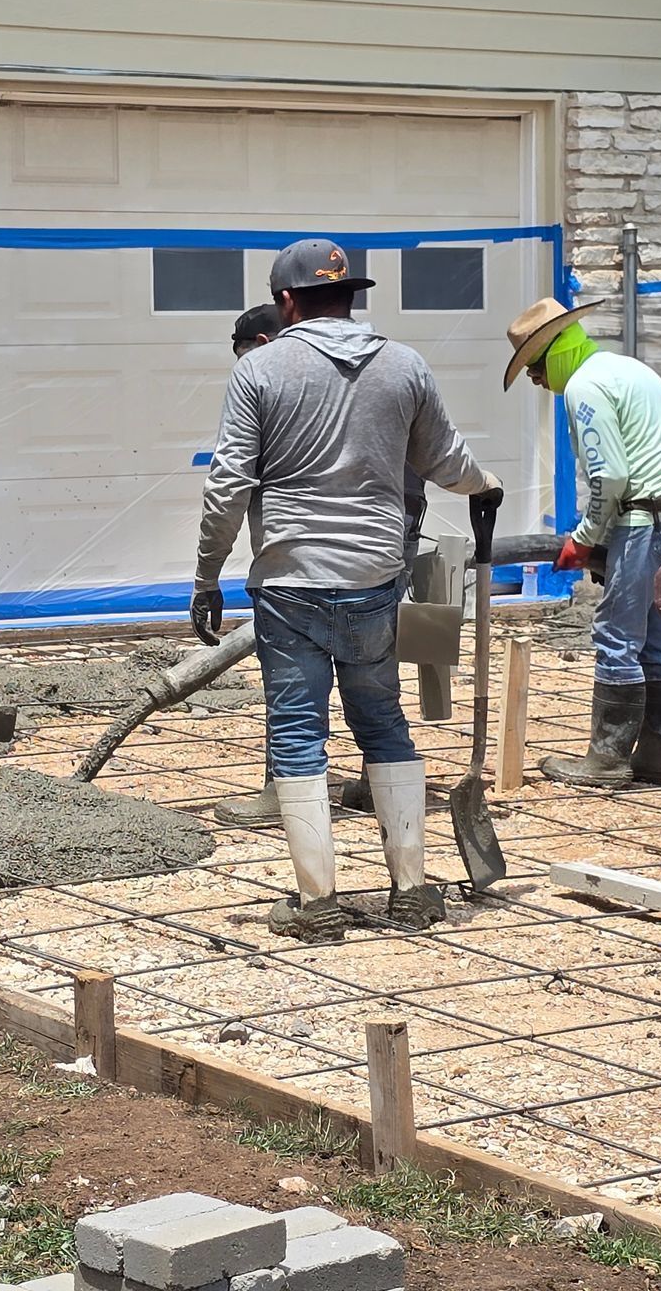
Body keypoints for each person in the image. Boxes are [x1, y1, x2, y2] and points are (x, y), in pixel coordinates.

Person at [192, 240, 501, 942]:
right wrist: (486, 488)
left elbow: (229, 487)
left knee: (299, 732)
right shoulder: (404, 365)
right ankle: (414, 892)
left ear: (286, 302)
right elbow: (448, 461)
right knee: (383, 722)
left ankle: (317, 903)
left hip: (291, 582)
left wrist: (207, 576)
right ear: (352, 297)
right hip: (374, 578)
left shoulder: (261, 371)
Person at [214, 301, 430, 831]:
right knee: (376, 695)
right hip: (382, 540)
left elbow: (233, 484)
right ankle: (381, 792)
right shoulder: (380, 365)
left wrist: (207, 575)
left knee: (296, 712)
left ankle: (285, 803)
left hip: (313, 559)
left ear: (263, 343)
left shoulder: (279, 375)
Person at [501, 297, 661, 788]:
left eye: (534, 369)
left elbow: (612, 475)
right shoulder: (623, 368)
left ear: (553, 353)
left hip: (646, 521)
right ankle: (658, 755)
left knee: (617, 634)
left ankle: (608, 759)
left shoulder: (583, 385)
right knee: (660, 634)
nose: (536, 381)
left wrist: (584, 539)